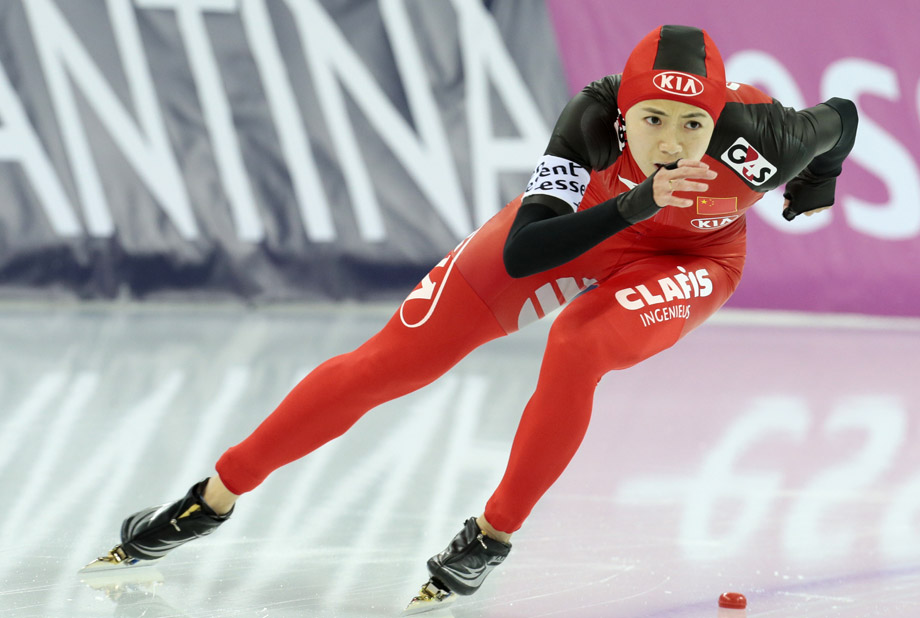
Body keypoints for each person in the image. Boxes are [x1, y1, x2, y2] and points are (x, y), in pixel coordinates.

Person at [89, 24, 857, 607]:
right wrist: (634, 201)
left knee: (579, 343)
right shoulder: (589, 121)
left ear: (719, 119)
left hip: (691, 260)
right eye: (653, 120)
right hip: (583, 228)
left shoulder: (766, 137)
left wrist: (817, 180)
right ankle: (214, 495)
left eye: (693, 126)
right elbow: (527, 252)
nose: (672, 143)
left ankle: (493, 534)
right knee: (395, 361)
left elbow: (844, 118)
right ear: (622, 112)